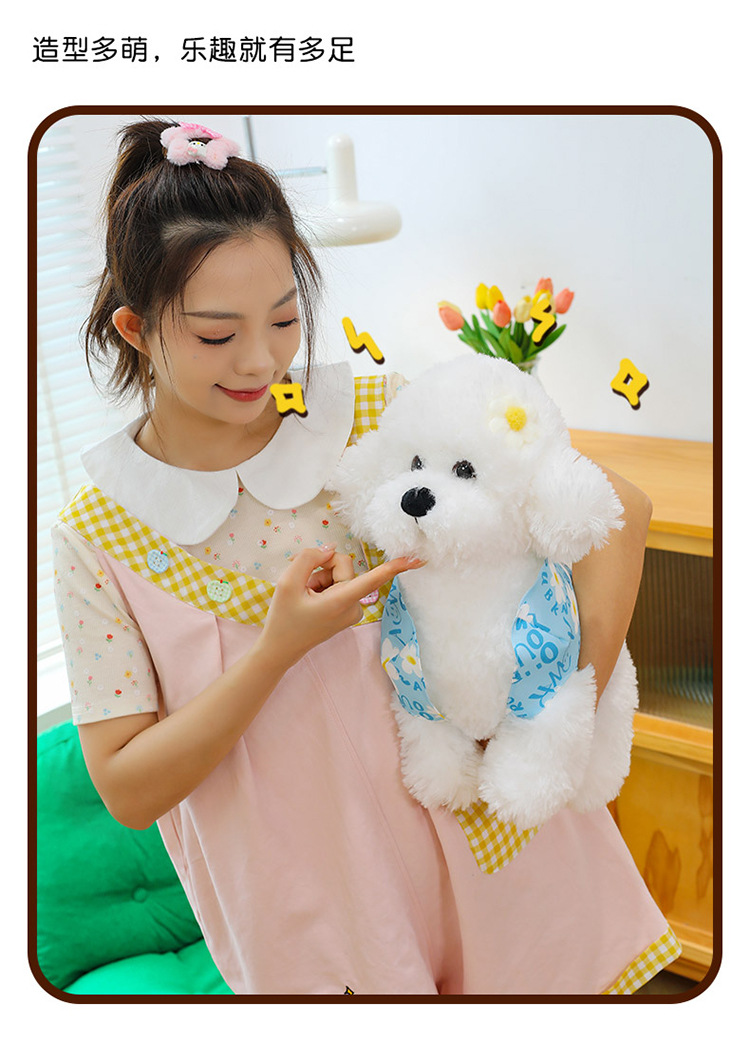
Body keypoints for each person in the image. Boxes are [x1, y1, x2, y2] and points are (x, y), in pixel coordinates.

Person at [51, 118, 679, 996]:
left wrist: (552, 716)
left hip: (494, 847)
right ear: (135, 328)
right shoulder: (99, 529)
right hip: (318, 913)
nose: (263, 360)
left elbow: (620, 512)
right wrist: (277, 649)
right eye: (216, 335)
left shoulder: (379, 414)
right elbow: (128, 789)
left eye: (283, 319)